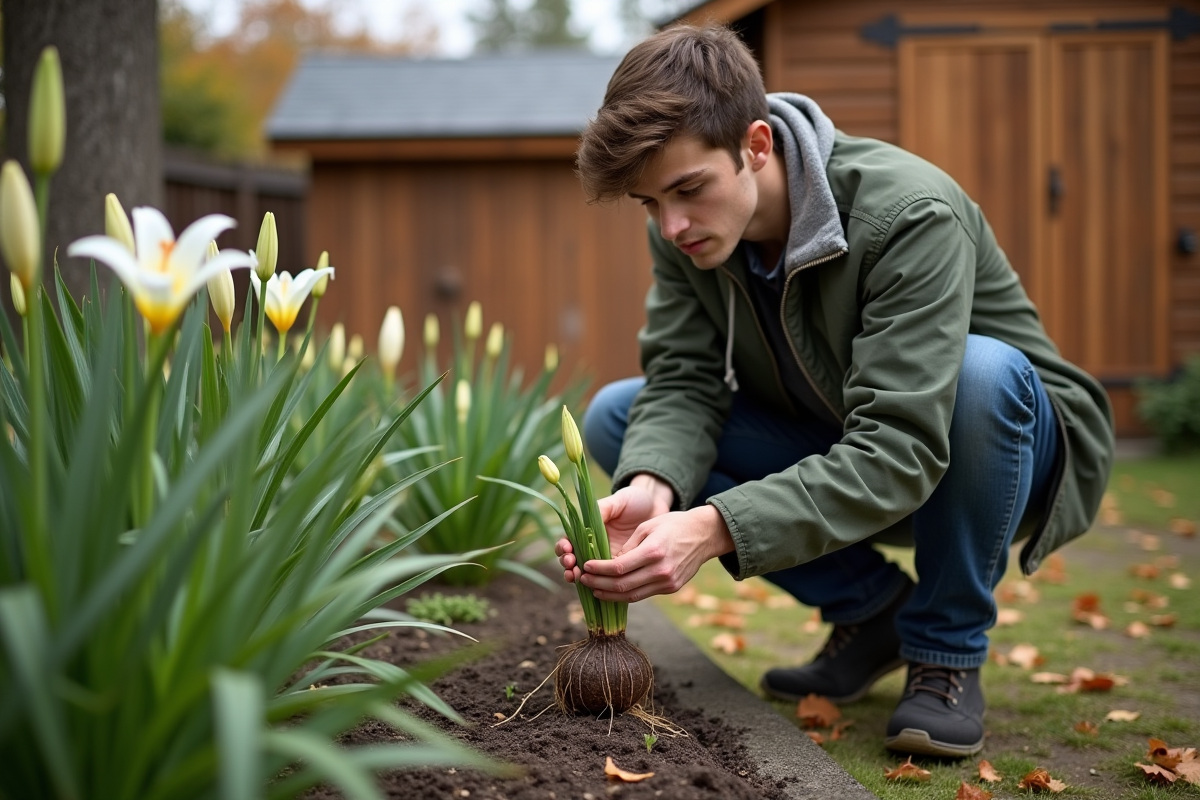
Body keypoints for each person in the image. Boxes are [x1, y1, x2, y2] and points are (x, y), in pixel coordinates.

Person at [554, 23, 1115, 758]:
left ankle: (945, 656)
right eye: (649, 204)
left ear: (756, 145)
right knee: (620, 420)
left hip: (992, 458)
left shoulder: (908, 213)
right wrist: (655, 489)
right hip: (839, 435)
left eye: (689, 190)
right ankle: (873, 610)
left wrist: (715, 524)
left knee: (981, 373)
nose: (672, 224)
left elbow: (903, 446)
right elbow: (684, 377)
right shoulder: (686, 233)